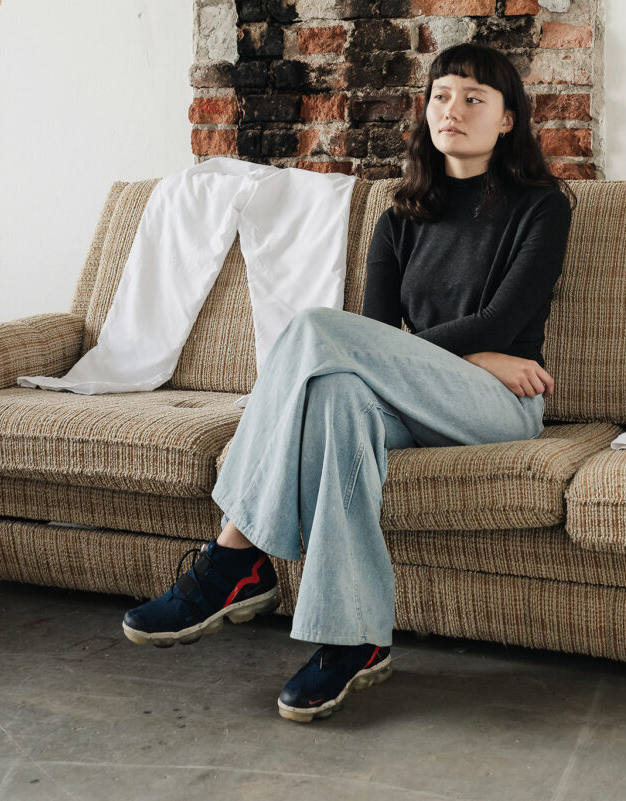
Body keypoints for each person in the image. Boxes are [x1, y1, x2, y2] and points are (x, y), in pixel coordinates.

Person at [120, 41, 575, 723]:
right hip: (422, 390)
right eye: (443, 94)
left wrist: (465, 361)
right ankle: (354, 637)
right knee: (336, 394)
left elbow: (504, 317)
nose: (453, 109)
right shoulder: (398, 217)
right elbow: (373, 338)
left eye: (475, 98)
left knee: (313, 330)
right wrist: (467, 353)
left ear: (507, 119)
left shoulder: (542, 208)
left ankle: (233, 558)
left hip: (502, 401)